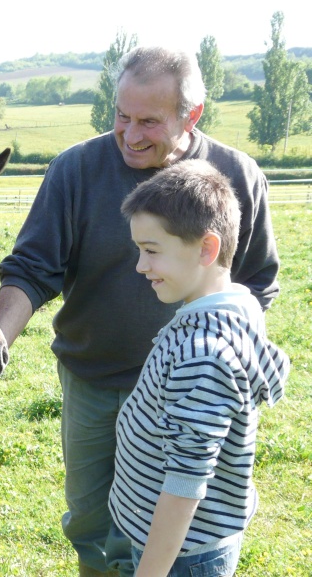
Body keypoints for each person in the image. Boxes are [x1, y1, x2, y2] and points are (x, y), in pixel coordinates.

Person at [0, 46, 280, 577]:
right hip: (95, 381)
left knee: (164, 525)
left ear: (191, 116)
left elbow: (258, 281)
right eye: (121, 115)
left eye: (150, 120)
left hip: (190, 390)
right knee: (91, 523)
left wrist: (224, 366)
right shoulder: (76, 169)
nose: (130, 133)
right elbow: (31, 267)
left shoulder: (237, 175)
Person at [110, 159, 289, 576]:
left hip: (181, 557)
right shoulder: (232, 304)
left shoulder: (203, 355)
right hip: (181, 543)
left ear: (207, 249)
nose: (141, 266)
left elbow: (185, 485)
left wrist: (149, 572)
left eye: (151, 251)